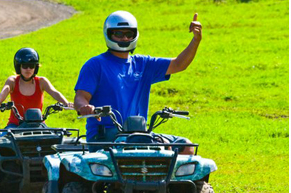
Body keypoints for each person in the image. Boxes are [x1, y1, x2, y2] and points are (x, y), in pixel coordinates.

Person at [74, 10, 203, 155]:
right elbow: (81, 97)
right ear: (108, 34)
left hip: (139, 133)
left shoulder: (143, 63)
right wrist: (85, 107)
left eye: (128, 34)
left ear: (135, 35)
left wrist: (196, 40)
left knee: (186, 147)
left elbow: (179, 64)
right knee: (160, 146)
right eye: (119, 34)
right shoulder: (95, 65)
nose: (124, 38)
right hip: (104, 135)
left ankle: (163, 178)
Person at [0, 47, 73, 129]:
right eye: (25, 66)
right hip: (15, 125)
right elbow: (4, 90)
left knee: (51, 140)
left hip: (38, 125)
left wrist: (66, 103)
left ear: (35, 68)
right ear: (19, 67)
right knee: (4, 140)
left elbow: (54, 92)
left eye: (31, 66)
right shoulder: (13, 81)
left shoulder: (41, 82)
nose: (28, 69)